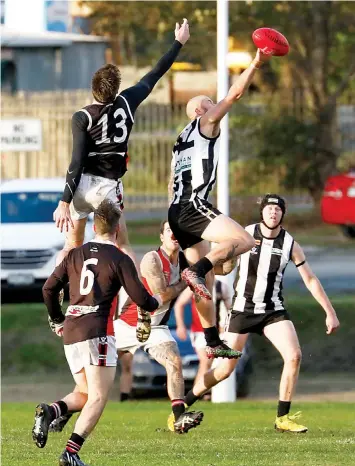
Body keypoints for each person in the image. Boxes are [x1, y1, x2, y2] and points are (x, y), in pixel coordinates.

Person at [182, 194, 340, 433]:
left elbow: (310, 279)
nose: (273, 213)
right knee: (224, 370)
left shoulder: (289, 243)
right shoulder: (245, 234)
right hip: (242, 310)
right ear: (262, 212)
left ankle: (282, 418)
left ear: (283, 214)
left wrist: (330, 312)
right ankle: (182, 404)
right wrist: (221, 265)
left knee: (294, 355)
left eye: (277, 209)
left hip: (272, 310)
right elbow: (220, 262)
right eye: (269, 208)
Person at [32, 200, 161, 466]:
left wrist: (57, 318)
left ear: (94, 225)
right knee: (99, 397)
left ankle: (50, 410)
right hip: (97, 331)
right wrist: (155, 303)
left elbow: (47, 289)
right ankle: (71, 452)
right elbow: (139, 296)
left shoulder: (74, 254)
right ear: (117, 229)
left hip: (71, 328)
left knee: (84, 392)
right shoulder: (118, 258)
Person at [53, 19, 190, 267]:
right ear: (116, 89)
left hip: (82, 186)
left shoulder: (81, 116)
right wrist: (178, 43)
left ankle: (58, 293)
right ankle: (133, 299)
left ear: (93, 87)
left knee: (71, 245)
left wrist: (64, 201)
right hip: (108, 188)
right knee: (121, 244)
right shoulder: (127, 102)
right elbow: (155, 74)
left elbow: (77, 161)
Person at [168, 48, 273, 359]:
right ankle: (196, 270)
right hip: (193, 204)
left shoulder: (181, 138)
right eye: (211, 104)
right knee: (243, 240)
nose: (217, 107)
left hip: (177, 211)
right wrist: (256, 62)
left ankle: (212, 339)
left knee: (208, 282)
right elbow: (236, 93)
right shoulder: (205, 124)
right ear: (202, 111)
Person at [114, 220, 204, 433]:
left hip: (156, 328)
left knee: (174, 361)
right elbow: (161, 295)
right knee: (95, 375)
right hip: (128, 324)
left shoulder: (184, 261)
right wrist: (186, 281)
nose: (173, 234)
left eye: (176, 231)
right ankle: (61, 412)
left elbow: (216, 267)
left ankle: (179, 416)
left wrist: (231, 254)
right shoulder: (152, 259)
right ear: (161, 237)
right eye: (168, 230)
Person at [174, 279, 233, 393]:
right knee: (206, 361)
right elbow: (179, 304)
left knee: (210, 363)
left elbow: (230, 310)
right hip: (199, 331)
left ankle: (201, 393)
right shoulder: (195, 285)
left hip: (216, 332)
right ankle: (196, 394)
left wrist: (225, 325)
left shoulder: (221, 287)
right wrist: (180, 326)